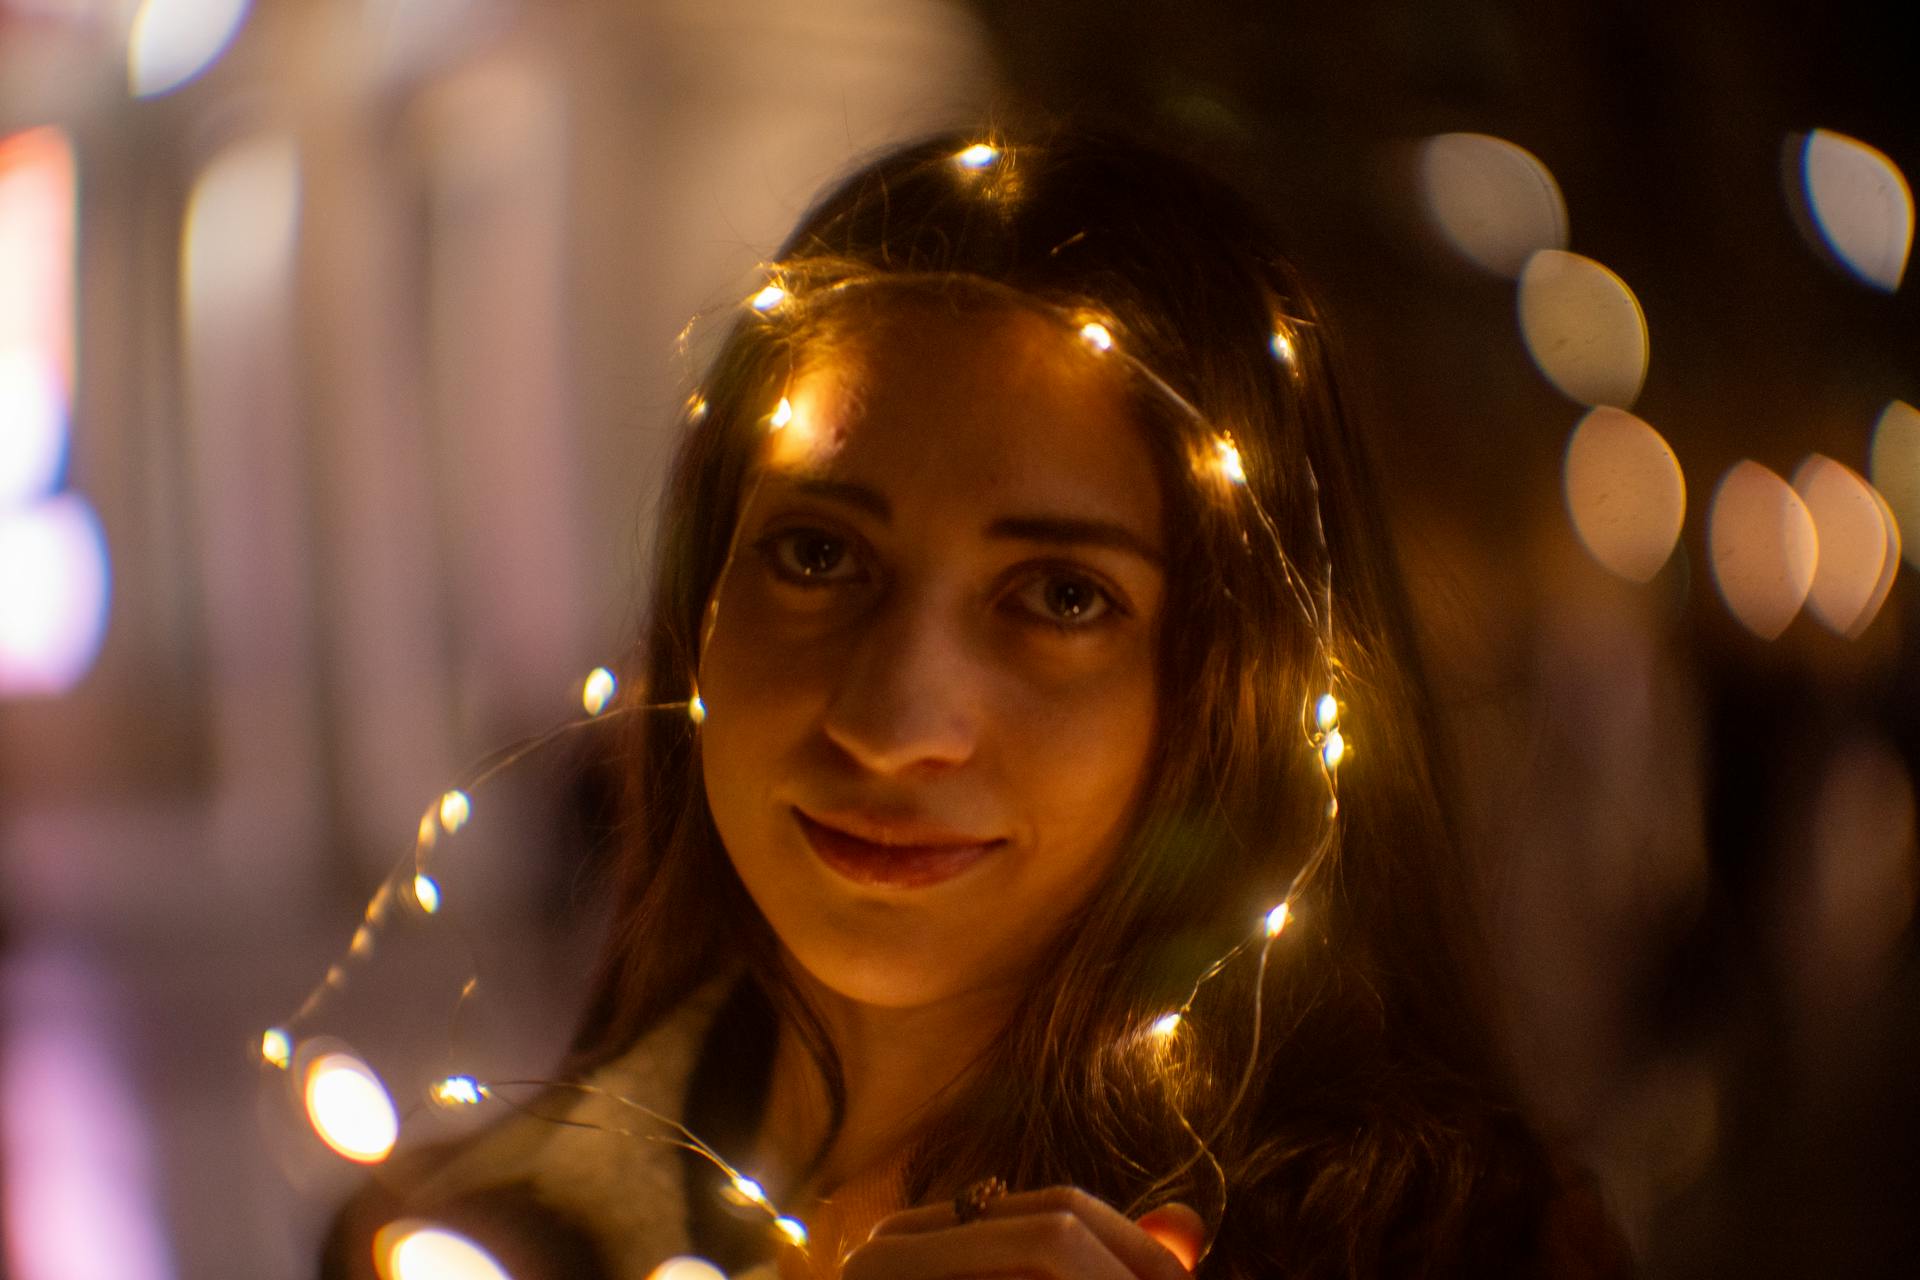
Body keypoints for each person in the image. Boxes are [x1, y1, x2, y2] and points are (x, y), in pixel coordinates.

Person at [324, 125, 1627, 1280]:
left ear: (1242, 688)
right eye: (820, 554)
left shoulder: (1440, 1255)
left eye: (1060, 596)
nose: (895, 724)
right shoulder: (464, 1243)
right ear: (699, 609)